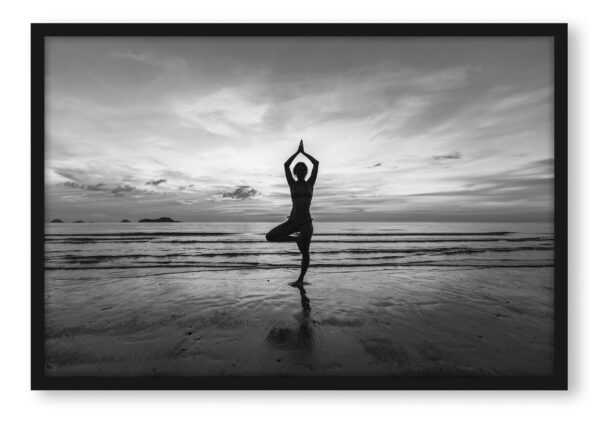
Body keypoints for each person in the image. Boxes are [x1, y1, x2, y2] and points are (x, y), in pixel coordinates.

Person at [266, 140, 319, 285]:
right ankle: (296, 239)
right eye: (299, 170)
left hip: (306, 223)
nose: (301, 171)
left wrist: (304, 153)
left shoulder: (310, 184)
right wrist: (297, 153)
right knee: (270, 236)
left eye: (303, 170)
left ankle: (300, 280)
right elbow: (285, 165)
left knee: (305, 253)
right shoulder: (292, 184)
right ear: (296, 172)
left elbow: (316, 164)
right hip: (293, 221)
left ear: (306, 172)